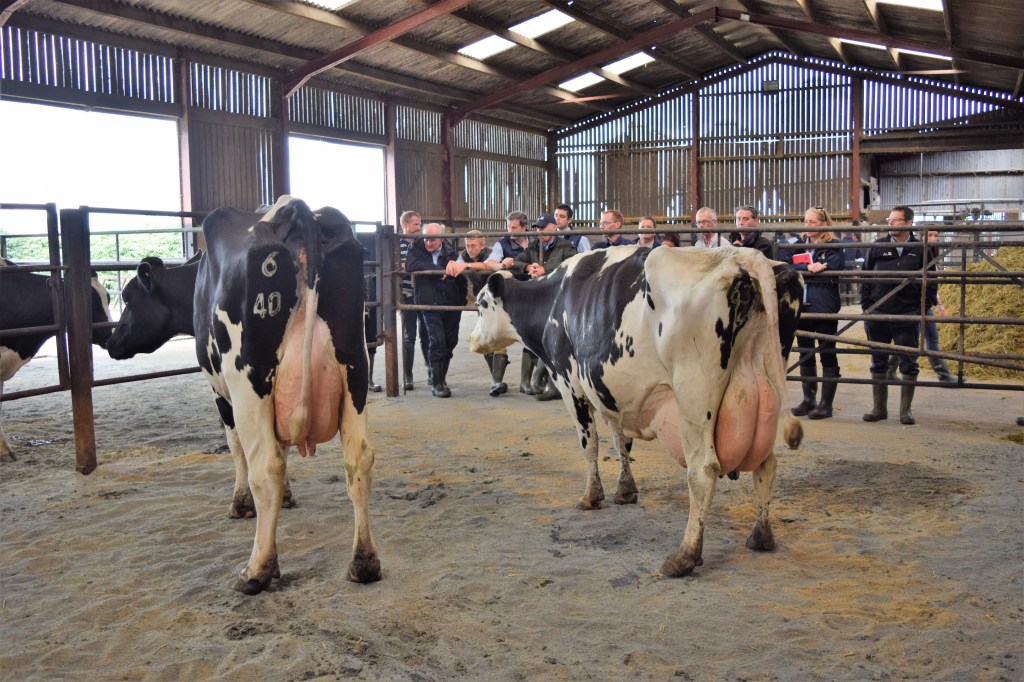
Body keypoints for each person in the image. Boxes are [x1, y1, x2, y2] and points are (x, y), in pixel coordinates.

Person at [860, 205, 938, 425]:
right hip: (879, 313)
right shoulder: (877, 247)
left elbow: (931, 281)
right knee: (878, 360)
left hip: (907, 313)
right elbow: (864, 277)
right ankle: (879, 409)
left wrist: (922, 308)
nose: (890, 223)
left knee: (909, 361)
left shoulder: (921, 249)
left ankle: (905, 411)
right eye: (890, 219)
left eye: (895, 220)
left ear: (908, 223)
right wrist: (867, 307)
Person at [511, 216, 579, 402]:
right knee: (534, 337)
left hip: (558, 298)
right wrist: (528, 267)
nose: (540, 232)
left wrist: (546, 270)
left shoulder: (566, 246)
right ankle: (531, 382)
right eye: (538, 228)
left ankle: (553, 383)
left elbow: (572, 264)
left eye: (543, 228)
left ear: (554, 227)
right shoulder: (533, 247)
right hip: (537, 299)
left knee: (554, 339)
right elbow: (515, 262)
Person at [789, 207, 845, 420]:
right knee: (805, 352)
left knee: (826, 351)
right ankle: (808, 400)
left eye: (813, 222)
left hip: (824, 306)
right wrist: (809, 268)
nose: (808, 225)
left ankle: (825, 404)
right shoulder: (798, 245)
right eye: (806, 221)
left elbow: (836, 265)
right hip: (801, 307)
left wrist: (816, 268)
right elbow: (786, 264)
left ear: (823, 224)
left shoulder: (833, 245)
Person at [405, 223, 467, 398]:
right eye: (426, 238)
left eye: (432, 239)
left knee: (450, 340)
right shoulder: (415, 248)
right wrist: (437, 270)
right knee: (436, 340)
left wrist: (461, 301)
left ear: (441, 238)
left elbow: (461, 277)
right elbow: (411, 265)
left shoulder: (451, 252)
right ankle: (437, 383)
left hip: (451, 301)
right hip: (428, 302)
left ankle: (441, 377)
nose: (428, 243)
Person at [447, 230, 510, 397]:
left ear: (482, 245)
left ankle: (497, 380)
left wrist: (466, 266)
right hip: (481, 301)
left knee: (497, 336)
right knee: (485, 337)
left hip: (497, 300)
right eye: (468, 245)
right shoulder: (463, 255)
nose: (470, 249)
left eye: (473, 245)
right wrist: (454, 265)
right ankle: (495, 380)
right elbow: (456, 266)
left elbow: (488, 265)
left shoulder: (490, 253)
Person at [486, 211, 536, 394]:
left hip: (532, 295)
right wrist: (501, 265)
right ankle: (496, 382)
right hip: (510, 296)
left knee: (530, 336)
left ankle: (526, 383)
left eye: (514, 227)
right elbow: (490, 262)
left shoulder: (534, 242)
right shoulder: (502, 243)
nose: (510, 231)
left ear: (524, 227)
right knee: (499, 334)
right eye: (508, 227)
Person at [398, 210, 429, 390]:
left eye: (420, 224)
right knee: (409, 336)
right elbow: (399, 265)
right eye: (416, 224)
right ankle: (407, 376)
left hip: (423, 293)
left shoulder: (423, 244)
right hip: (407, 295)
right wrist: (408, 265)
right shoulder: (396, 244)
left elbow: (419, 264)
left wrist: (410, 265)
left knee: (426, 333)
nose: (419, 227)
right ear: (406, 225)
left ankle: (431, 372)